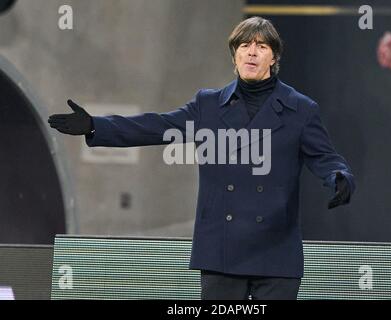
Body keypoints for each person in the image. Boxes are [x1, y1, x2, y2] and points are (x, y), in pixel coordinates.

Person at [48, 16, 355, 300]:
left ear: (273, 58)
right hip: (222, 250)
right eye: (244, 45)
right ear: (234, 56)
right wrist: (95, 126)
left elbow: (326, 157)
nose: (252, 52)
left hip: (275, 250)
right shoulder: (208, 105)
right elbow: (158, 126)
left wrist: (339, 178)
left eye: (261, 46)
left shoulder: (300, 109)